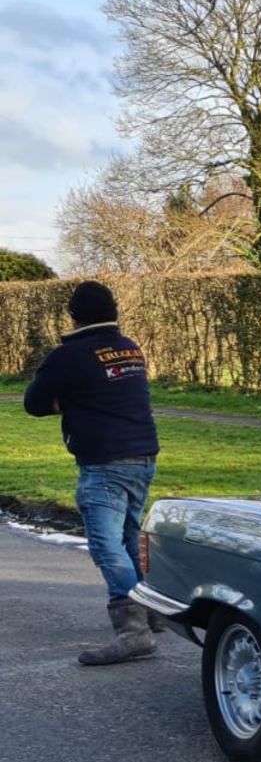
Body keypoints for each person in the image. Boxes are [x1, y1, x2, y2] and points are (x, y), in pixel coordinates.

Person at [22, 280, 164, 665]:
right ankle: (152, 613)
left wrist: (68, 402)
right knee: (130, 536)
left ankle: (134, 631)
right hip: (143, 455)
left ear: (74, 315)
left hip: (104, 460)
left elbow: (33, 403)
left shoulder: (70, 356)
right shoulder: (129, 347)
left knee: (105, 544)